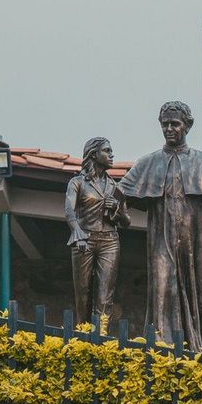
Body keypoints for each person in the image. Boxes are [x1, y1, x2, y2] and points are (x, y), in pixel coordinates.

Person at [117, 101, 202, 352]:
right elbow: (120, 194)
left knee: (197, 288)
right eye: (165, 124)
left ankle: (200, 342)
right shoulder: (148, 163)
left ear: (187, 126)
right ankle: (162, 343)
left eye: (175, 124)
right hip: (161, 237)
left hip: (195, 239)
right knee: (162, 283)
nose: (169, 129)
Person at [65, 137, 130, 325]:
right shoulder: (77, 183)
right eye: (107, 151)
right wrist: (77, 233)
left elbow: (126, 221)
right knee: (83, 293)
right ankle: (83, 336)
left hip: (110, 242)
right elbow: (69, 210)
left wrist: (117, 210)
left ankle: (101, 336)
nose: (112, 155)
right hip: (84, 239)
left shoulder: (115, 187)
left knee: (105, 295)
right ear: (94, 154)